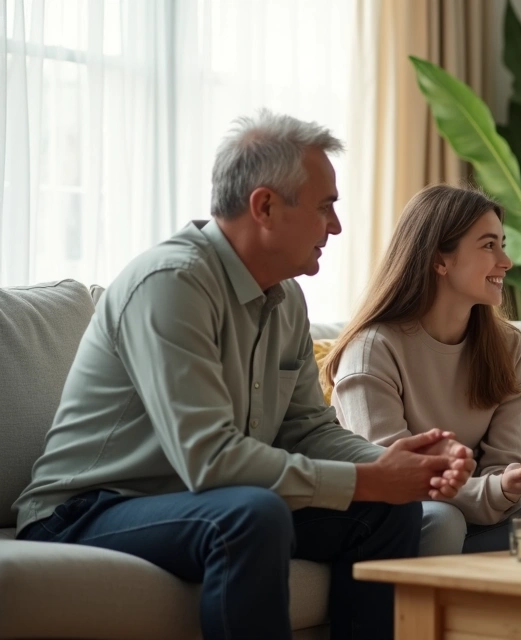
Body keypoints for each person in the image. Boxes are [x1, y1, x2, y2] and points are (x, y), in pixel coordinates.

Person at [13, 110, 475, 640]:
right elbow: (209, 461)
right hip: (87, 510)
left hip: (197, 502)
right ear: (265, 206)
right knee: (252, 514)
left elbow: (307, 428)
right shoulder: (172, 285)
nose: (337, 226)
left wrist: (396, 467)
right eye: (326, 207)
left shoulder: (286, 299)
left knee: (389, 512)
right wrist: (370, 479)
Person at [324, 184, 521, 556]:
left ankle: (483, 610)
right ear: (439, 260)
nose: (506, 261)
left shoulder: (509, 348)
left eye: (501, 244)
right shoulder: (372, 349)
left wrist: (510, 481)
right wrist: (499, 489)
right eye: (489, 245)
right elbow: (395, 477)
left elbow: (499, 466)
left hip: (463, 509)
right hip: (395, 512)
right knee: (442, 520)